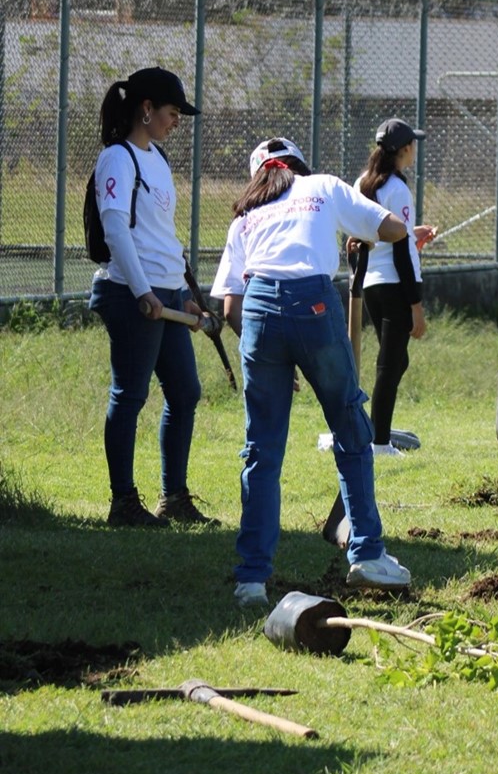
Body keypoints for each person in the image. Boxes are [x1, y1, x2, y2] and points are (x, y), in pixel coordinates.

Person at [215, 137, 413, 607]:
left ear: (260, 175)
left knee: (261, 448)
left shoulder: (246, 213)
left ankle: (251, 579)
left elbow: (229, 307)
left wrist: (266, 352)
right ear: (300, 167)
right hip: (315, 301)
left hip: (259, 308)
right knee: (350, 427)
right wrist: (361, 234)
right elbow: (392, 229)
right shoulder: (323, 186)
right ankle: (366, 553)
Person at [88, 66, 213, 528]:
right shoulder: (117, 159)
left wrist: (183, 296)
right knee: (131, 394)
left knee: (185, 392)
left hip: (167, 295)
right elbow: (116, 228)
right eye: (172, 111)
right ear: (146, 109)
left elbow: (163, 235)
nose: (176, 120)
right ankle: (123, 503)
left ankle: (174, 498)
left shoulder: (157, 158)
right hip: (129, 293)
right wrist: (143, 291)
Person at [356, 118, 436, 457]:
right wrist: (415, 303)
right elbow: (401, 248)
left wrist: (409, 234)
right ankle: (378, 443)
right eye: (412, 144)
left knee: (396, 361)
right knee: (389, 365)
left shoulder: (363, 182)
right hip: (394, 284)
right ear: (405, 149)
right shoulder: (398, 188)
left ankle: (375, 431)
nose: (414, 149)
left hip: (371, 282)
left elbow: (372, 231)